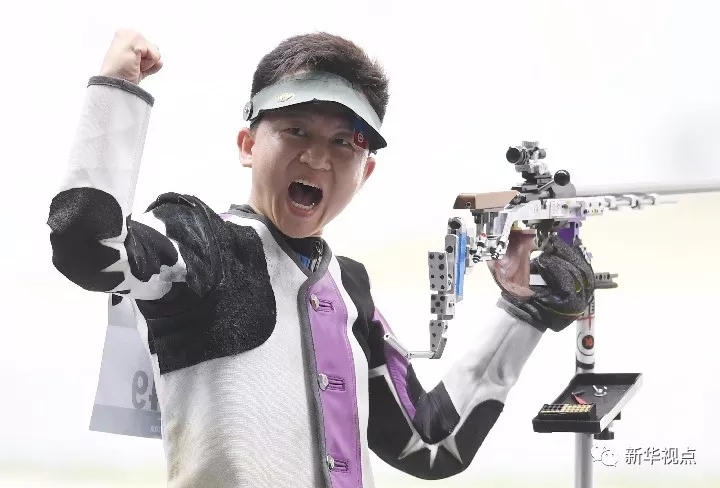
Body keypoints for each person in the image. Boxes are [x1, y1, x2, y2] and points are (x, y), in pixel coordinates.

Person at [46, 29, 595, 488]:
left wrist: (523, 312)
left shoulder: (348, 286)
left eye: (344, 142)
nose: (316, 156)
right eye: (295, 130)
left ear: (366, 170)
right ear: (248, 145)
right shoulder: (203, 244)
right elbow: (88, 245)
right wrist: (116, 92)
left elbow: (431, 443)